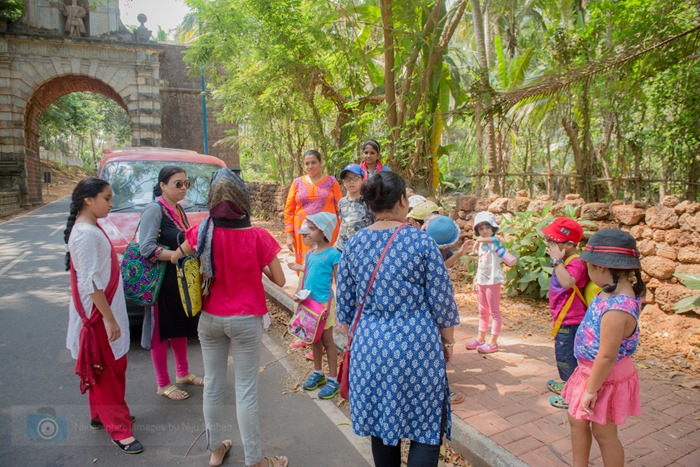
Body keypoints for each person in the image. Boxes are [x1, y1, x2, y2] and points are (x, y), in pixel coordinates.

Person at [337, 171, 460, 467]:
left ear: (369, 205)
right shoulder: (422, 242)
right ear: (403, 201)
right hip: (417, 348)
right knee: (425, 429)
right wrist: (448, 342)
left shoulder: (354, 245)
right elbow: (442, 303)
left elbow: (343, 311)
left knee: (381, 429)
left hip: (370, 350)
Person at [171, 169, 288, 467]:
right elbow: (280, 279)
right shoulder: (258, 236)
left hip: (209, 319)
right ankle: (255, 461)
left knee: (212, 385)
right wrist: (255, 265)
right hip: (246, 320)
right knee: (245, 392)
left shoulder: (202, 231)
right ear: (243, 199)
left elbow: (176, 258)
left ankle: (214, 449)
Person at [64, 178, 143, 454]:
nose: (111, 204)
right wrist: (109, 319)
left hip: (102, 309)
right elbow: (90, 282)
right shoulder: (85, 234)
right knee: (109, 369)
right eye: (107, 199)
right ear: (89, 200)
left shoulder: (90, 228)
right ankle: (119, 430)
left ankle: (101, 414)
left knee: (104, 366)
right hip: (98, 313)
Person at [561, 229, 644, 467]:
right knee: (577, 418)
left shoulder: (617, 308)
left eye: (589, 268)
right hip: (589, 371)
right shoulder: (610, 292)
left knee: (604, 433)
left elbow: (607, 355)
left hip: (603, 376)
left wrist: (591, 389)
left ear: (602, 269)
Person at [139, 166, 202, 401]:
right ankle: (163, 384)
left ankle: (183, 373)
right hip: (161, 280)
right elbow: (146, 247)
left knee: (178, 326)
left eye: (186, 183)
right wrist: (175, 255)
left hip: (178, 279)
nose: (183, 188)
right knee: (160, 330)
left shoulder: (177, 210)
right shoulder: (154, 210)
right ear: (162, 185)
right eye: (177, 183)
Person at [541, 217, 589, 409]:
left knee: (567, 358)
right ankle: (569, 384)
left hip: (571, 321)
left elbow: (568, 282)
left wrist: (556, 260)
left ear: (569, 245)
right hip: (564, 318)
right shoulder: (566, 260)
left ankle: (572, 396)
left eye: (554, 241)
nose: (549, 244)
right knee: (565, 356)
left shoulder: (575, 262)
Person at [424, 215, 470, 406]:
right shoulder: (438, 273)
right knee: (437, 355)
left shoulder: (418, 251)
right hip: (434, 320)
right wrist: (449, 342)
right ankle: (441, 391)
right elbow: (446, 310)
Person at [295, 213, 342, 399]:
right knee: (314, 339)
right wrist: (298, 293)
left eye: (312, 229)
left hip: (324, 305)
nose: (308, 232)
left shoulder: (334, 255)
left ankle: (333, 379)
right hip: (308, 304)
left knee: (328, 341)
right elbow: (304, 277)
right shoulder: (309, 254)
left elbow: (339, 282)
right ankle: (317, 372)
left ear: (324, 232)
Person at [284, 149, 342, 269]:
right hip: (304, 232)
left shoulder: (331, 182)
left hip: (327, 232)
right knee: (304, 265)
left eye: (313, 162)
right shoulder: (297, 183)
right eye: (307, 163)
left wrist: (341, 232)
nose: (310, 166)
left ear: (320, 163)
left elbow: (340, 209)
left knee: (326, 266)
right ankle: (305, 287)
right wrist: (289, 235)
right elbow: (289, 209)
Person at [465, 212, 504, 354]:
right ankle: (480, 338)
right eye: (480, 229)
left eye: (487, 227)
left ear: (493, 228)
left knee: (494, 312)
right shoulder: (482, 244)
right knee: (482, 311)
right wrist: (476, 278)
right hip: (482, 280)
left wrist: (479, 240)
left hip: (493, 280)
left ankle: (493, 342)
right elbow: (481, 263)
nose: (484, 231)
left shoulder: (494, 241)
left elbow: (497, 239)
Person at [336, 163, 374, 253]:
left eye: (356, 178)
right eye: (347, 179)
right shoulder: (342, 202)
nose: (351, 182)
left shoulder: (369, 201)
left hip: (364, 246)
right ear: (343, 182)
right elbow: (343, 223)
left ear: (363, 180)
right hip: (344, 248)